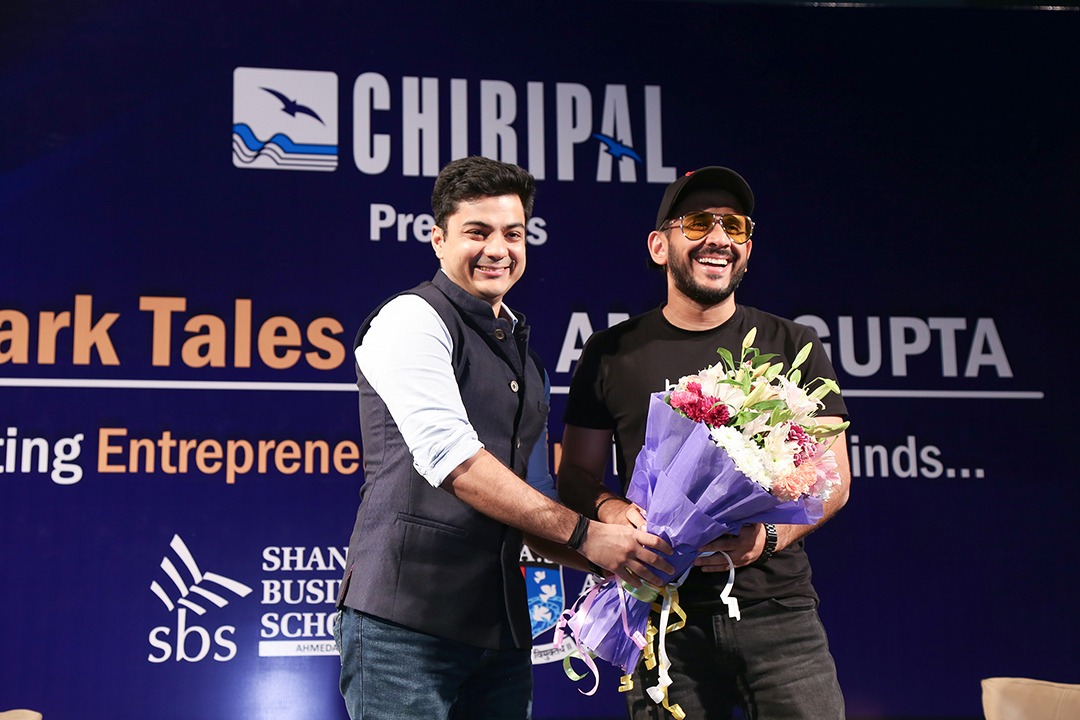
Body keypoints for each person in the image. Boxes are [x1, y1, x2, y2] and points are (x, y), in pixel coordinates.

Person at [334, 156, 674, 720]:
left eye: (513, 234)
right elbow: (454, 461)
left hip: (502, 633)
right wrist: (589, 535)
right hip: (403, 626)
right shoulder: (410, 319)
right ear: (438, 239)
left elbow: (535, 504)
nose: (498, 249)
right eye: (477, 232)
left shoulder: (527, 361)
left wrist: (621, 558)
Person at [558, 166, 851, 720]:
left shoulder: (792, 343)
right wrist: (613, 510)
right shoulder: (610, 352)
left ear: (747, 249)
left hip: (777, 612)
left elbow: (834, 480)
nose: (718, 237)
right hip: (660, 613)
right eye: (697, 223)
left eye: (733, 226)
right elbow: (575, 476)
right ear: (659, 246)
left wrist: (768, 537)